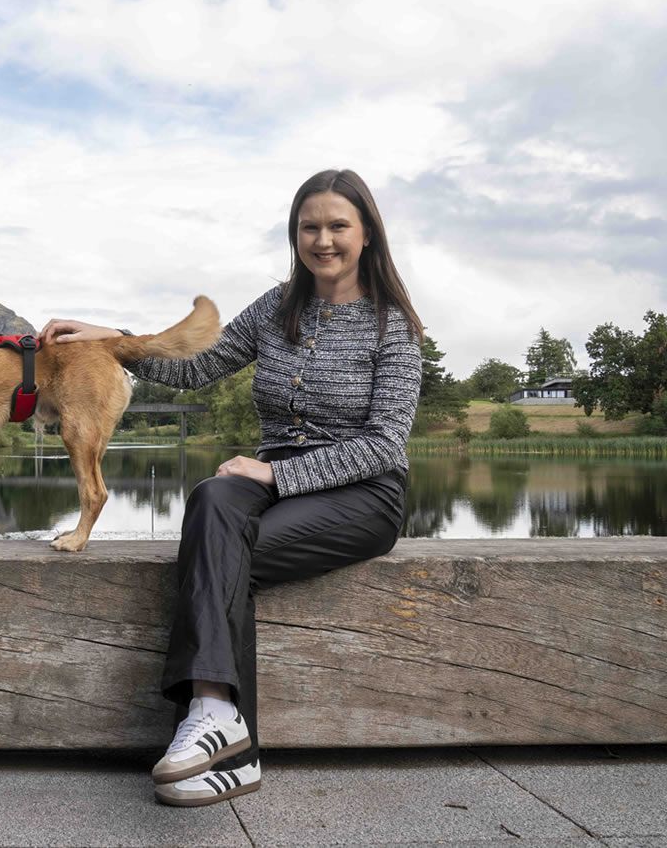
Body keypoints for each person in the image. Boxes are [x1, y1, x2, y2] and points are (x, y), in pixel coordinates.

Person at [40, 169, 422, 808]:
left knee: (221, 552)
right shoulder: (277, 307)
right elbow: (196, 368)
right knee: (212, 499)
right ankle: (220, 720)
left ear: (367, 235)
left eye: (337, 226)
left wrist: (278, 472)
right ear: (294, 234)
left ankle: (226, 739)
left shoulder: (394, 327)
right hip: (272, 483)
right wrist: (108, 341)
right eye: (310, 227)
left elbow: (385, 444)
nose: (322, 239)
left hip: (364, 495)